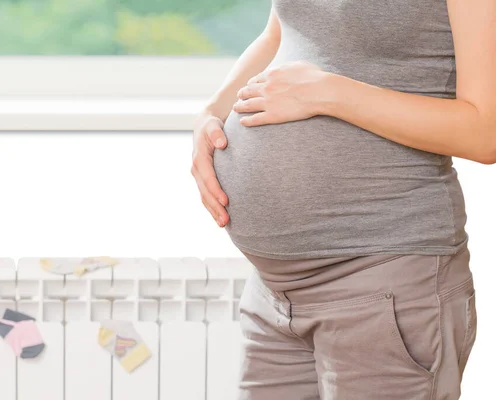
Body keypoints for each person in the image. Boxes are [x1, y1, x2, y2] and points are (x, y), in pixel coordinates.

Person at [191, 1, 495, 399]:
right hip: (274, 291)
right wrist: (211, 113)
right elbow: (280, 32)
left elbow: (484, 131)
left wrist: (330, 93)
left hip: (383, 278)